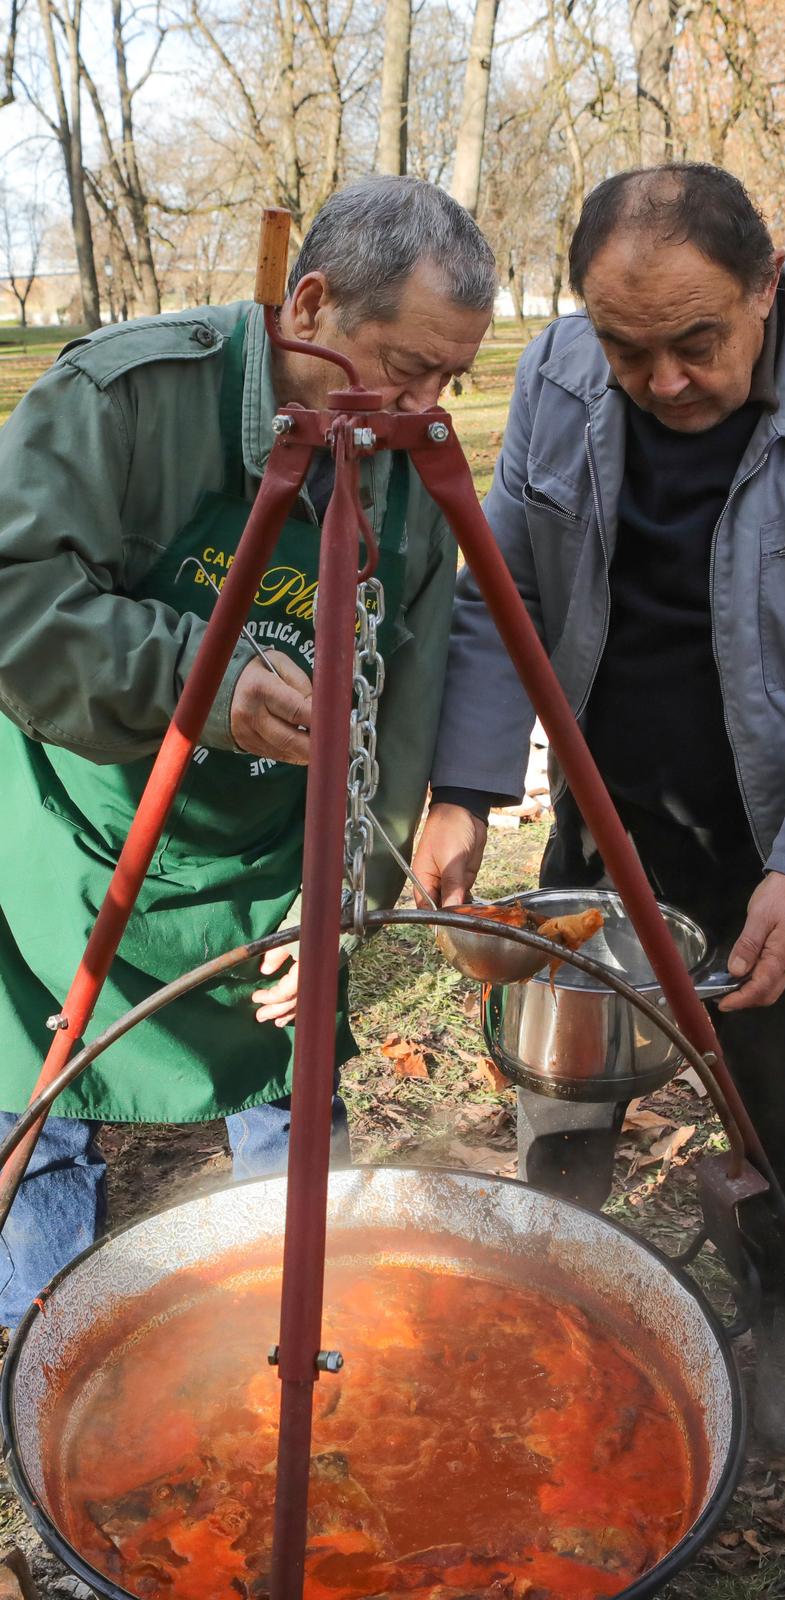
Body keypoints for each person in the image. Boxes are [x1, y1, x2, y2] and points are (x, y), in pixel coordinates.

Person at [414, 164, 785, 1453]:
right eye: (625, 344)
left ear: (767, 284)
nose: (659, 380)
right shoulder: (561, 380)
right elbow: (501, 596)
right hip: (608, 824)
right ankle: (564, 1308)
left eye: (694, 343)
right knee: (562, 1088)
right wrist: (463, 792)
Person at [0, 176, 496, 1327]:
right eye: (400, 365)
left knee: (289, 1082)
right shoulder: (126, 397)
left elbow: (404, 709)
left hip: (271, 848)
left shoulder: (404, 466)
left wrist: (342, 892)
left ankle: (284, 1330)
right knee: (45, 1089)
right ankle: (51, 1339)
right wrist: (200, 680)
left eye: (446, 380)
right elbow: (16, 598)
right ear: (311, 304)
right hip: (81, 836)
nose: (417, 407)